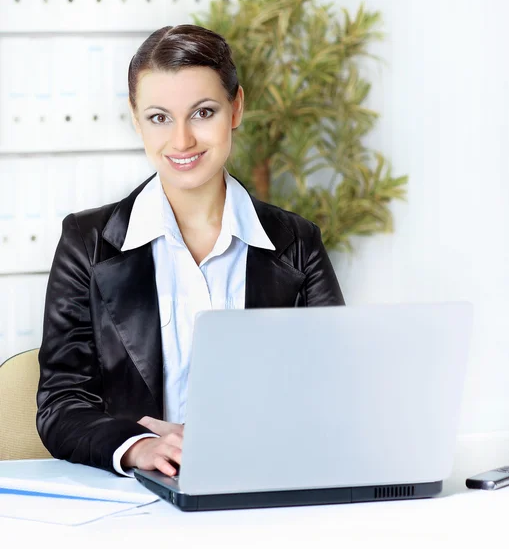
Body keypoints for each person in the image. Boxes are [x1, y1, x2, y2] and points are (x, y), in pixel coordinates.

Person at [36, 24, 345, 477]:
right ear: (136, 117)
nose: (181, 141)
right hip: (140, 501)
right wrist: (137, 446)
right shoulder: (88, 244)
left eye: (203, 113)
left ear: (236, 108)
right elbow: (61, 404)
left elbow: (335, 392)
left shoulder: (297, 244)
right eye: (159, 117)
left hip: (264, 486)